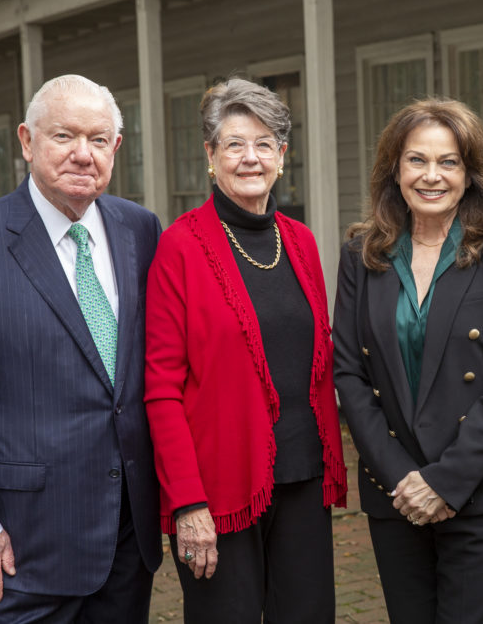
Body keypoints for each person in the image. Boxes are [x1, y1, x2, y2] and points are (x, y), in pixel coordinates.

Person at [0, 74, 163, 622]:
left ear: (116, 148)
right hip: (21, 549)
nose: (82, 154)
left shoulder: (140, 231)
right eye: (63, 136)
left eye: (98, 139)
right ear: (26, 141)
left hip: (126, 537)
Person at [144, 77, 347, 624]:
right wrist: (187, 503)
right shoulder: (180, 246)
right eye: (234, 144)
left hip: (303, 477)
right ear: (210, 156)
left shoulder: (300, 240)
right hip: (220, 490)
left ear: (283, 155)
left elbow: (318, 363)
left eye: (264, 144)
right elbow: (161, 389)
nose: (250, 158)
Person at [333, 98, 483, 623]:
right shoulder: (363, 252)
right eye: (416, 160)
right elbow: (350, 374)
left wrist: (444, 483)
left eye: (448, 162)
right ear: (394, 169)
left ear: (471, 173)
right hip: (397, 493)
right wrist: (404, 480)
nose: (432, 176)